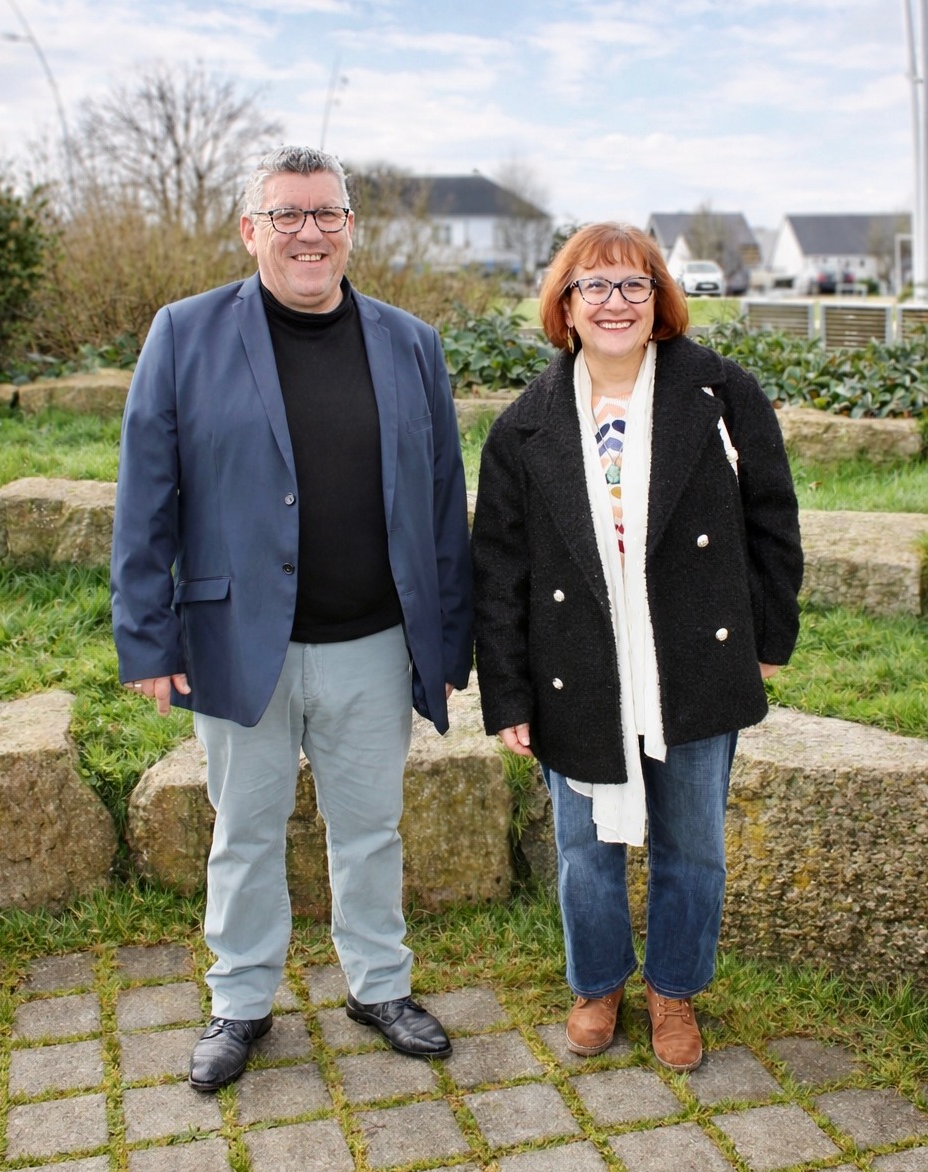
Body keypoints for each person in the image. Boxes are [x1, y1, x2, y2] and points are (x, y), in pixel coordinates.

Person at [111, 145, 473, 1090]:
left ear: (351, 227)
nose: (309, 232)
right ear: (251, 229)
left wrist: (448, 639)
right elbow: (145, 498)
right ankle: (239, 1000)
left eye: (326, 214)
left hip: (374, 644)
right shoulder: (184, 333)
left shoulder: (411, 343)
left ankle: (379, 986)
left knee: (371, 829)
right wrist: (147, 639)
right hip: (239, 644)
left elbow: (443, 501)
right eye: (287, 215)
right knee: (243, 832)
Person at [471, 223, 802, 1071]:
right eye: (594, 285)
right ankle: (597, 986)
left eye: (633, 284)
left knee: (693, 845)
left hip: (694, 658)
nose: (614, 302)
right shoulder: (524, 427)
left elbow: (773, 519)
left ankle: (674, 992)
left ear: (659, 299)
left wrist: (769, 637)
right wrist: (507, 694)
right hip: (575, 667)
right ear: (566, 304)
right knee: (585, 851)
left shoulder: (721, 393)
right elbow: (500, 572)